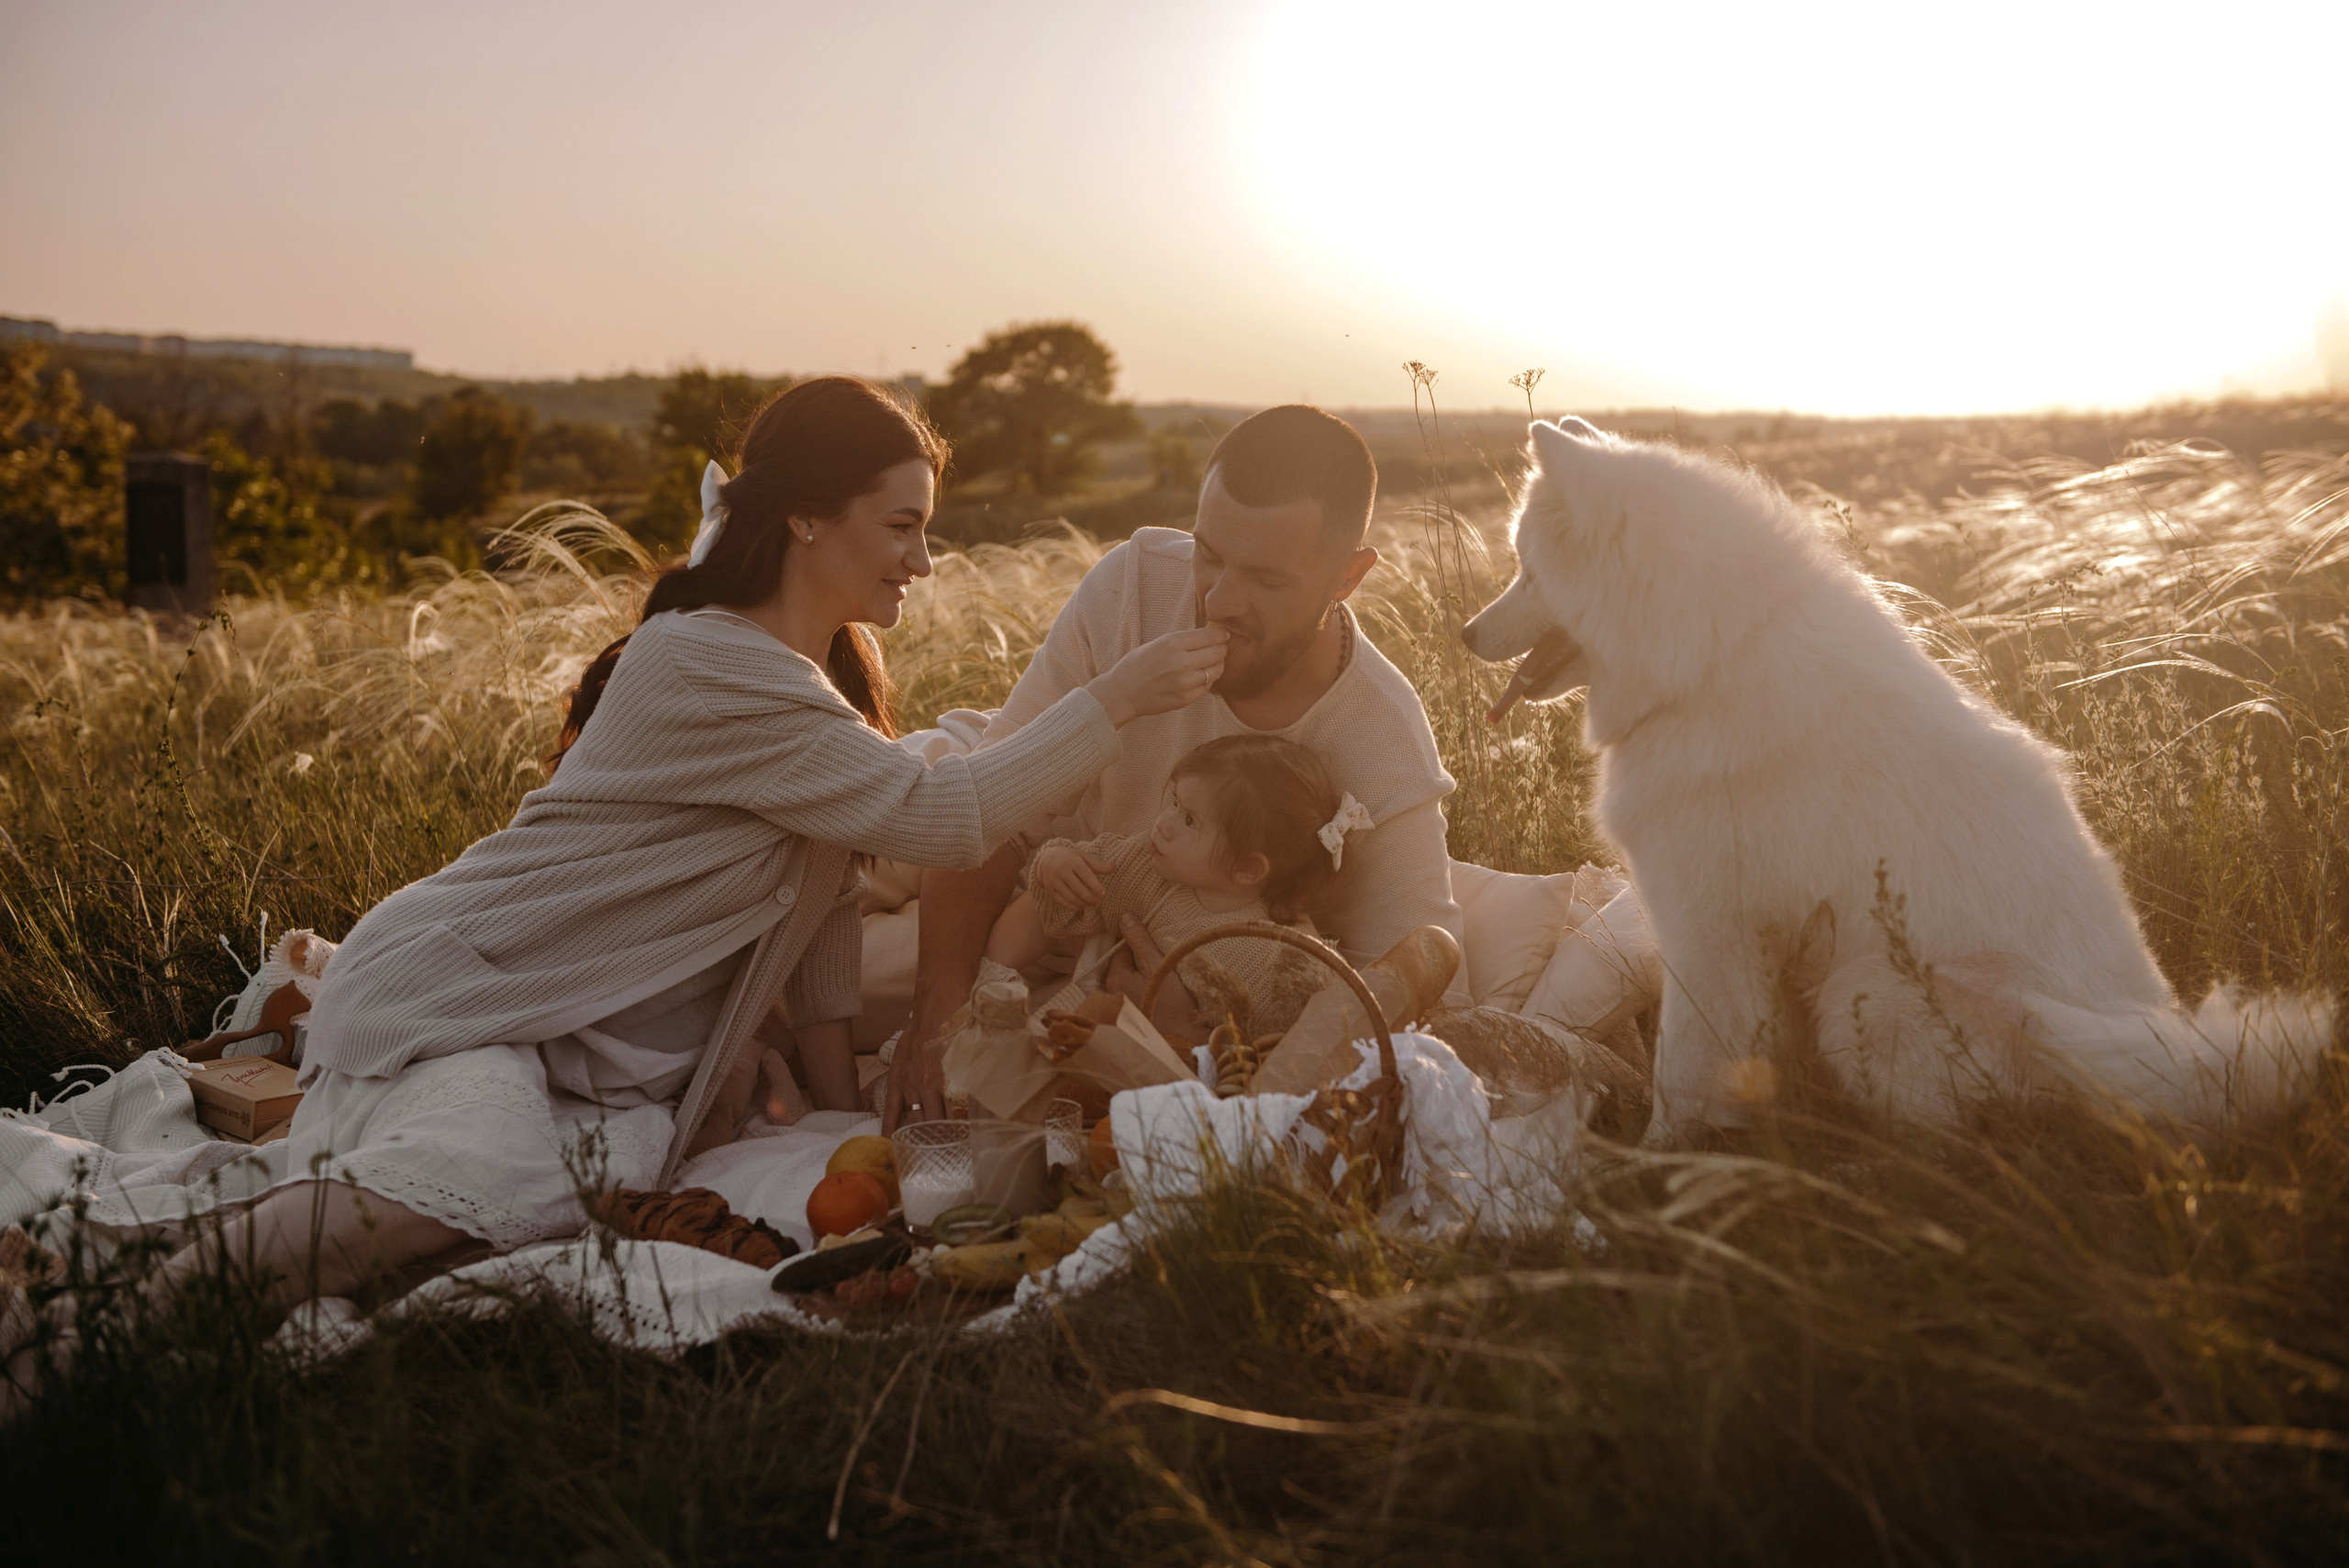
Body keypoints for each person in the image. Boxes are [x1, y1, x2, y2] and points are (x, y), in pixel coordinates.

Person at [1, 377, 1226, 1405]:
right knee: (476, 1185)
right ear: (807, 519)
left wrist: (833, 1101)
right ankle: (81, 1351)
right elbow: (943, 817)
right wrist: (1117, 698)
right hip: (469, 992)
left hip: (577, 1044)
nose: (923, 558)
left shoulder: (807, 687)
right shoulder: (704, 661)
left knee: (571, 1177)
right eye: (902, 525)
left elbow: (820, 917)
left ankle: (105, 1272)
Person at [888, 405, 1464, 1129]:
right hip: (1037, 908)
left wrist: (1196, 1043)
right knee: (847, 966)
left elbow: (1407, 997)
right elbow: (987, 807)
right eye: (1209, 554)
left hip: (1149, 997)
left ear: (1347, 576)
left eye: (1266, 579)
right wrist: (939, 1016)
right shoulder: (1134, 586)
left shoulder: (1383, 738)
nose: (1218, 601)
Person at [985, 732, 1363, 1034]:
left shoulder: (1280, 959)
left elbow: (1306, 1048)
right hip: (1079, 1024)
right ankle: (988, 992)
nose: (1163, 824)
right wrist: (1056, 863)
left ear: (1247, 869)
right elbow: (1058, 895)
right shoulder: (1148, 866)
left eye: (1190, 821)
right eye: (1174, 803)